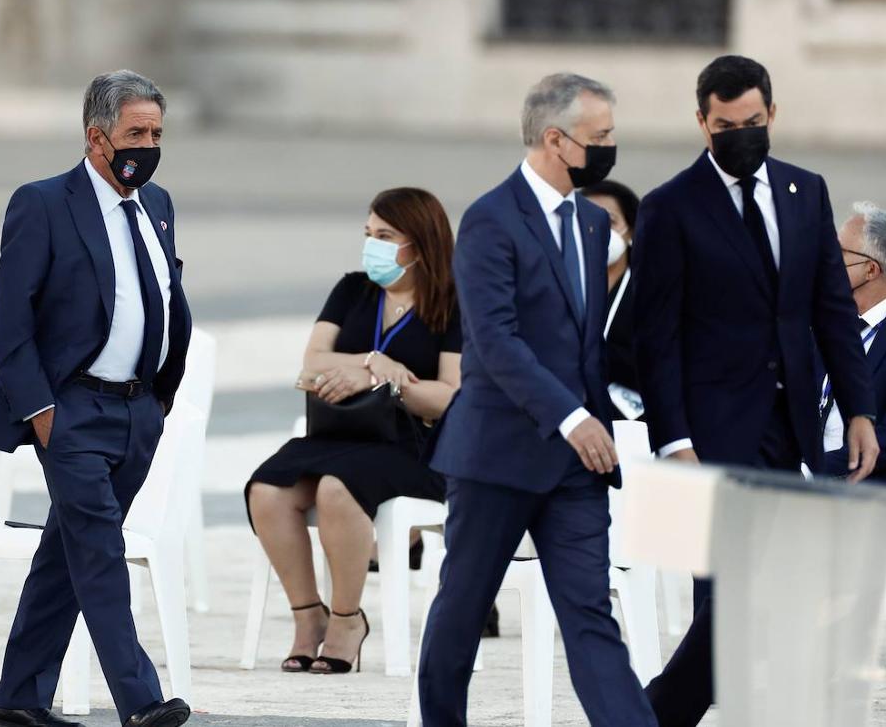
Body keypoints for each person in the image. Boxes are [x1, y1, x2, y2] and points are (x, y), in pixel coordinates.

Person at [632, 54, 877, 727]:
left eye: (753, 122)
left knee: (746, 596)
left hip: (787, 422)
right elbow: (656, 340)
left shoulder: (806, 191)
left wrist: (859, 409)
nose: (740, 134)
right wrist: (674, 439)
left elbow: (832, 309)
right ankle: (653, 716)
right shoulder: (670, 209)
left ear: (773, 114)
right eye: (724, 124)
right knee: (734, 593)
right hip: (709, 430)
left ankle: (654, 716)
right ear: (701, 122)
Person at [418, 73, 657, 727]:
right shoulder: (490, 220)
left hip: (577, 469)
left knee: (589, 617)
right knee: (462, 611)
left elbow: (586, 341)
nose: (610, 148)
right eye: (600, 137)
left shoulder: (587, 222)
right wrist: (573, 417)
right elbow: (495, 342)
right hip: (496, 457)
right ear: (556, 139)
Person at [0, 70, 193, 727]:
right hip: (71, 413)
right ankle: (141, 702)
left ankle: (17, 701)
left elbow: (162, 299)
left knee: (66, 556)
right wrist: (42, 415)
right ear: (97, 138)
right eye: (135, 133)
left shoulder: (158, 205)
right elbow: (12, 323)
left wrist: (159, 399)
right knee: (99, 551)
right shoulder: (42, 204)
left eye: (156, 133)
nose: (148, 145)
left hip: (138, 413)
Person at [246, 187, 460, 675]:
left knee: (338, 490)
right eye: (369, 234)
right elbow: (313, 361)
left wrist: (390, 380)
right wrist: (368, 362)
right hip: (338, 433)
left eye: (385, 236)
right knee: (267, 489)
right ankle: (308, 617)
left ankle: (347, 621)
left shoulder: (452, 302)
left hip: (414, 444)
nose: (373, 246)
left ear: (421, 243)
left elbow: (449, 393)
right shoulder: (353, 289)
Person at [819, 201, 886, 481]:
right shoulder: (820, 323)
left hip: (859, 500)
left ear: (871, 270)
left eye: (839, 252)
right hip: (787, 486)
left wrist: (807, 470)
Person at [582, 180, 644, 420]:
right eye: (586, 220)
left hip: (634, 421)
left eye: (608, 221)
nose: (595, 229)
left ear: (631, 231)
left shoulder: (648, 292)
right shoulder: (560, 287)